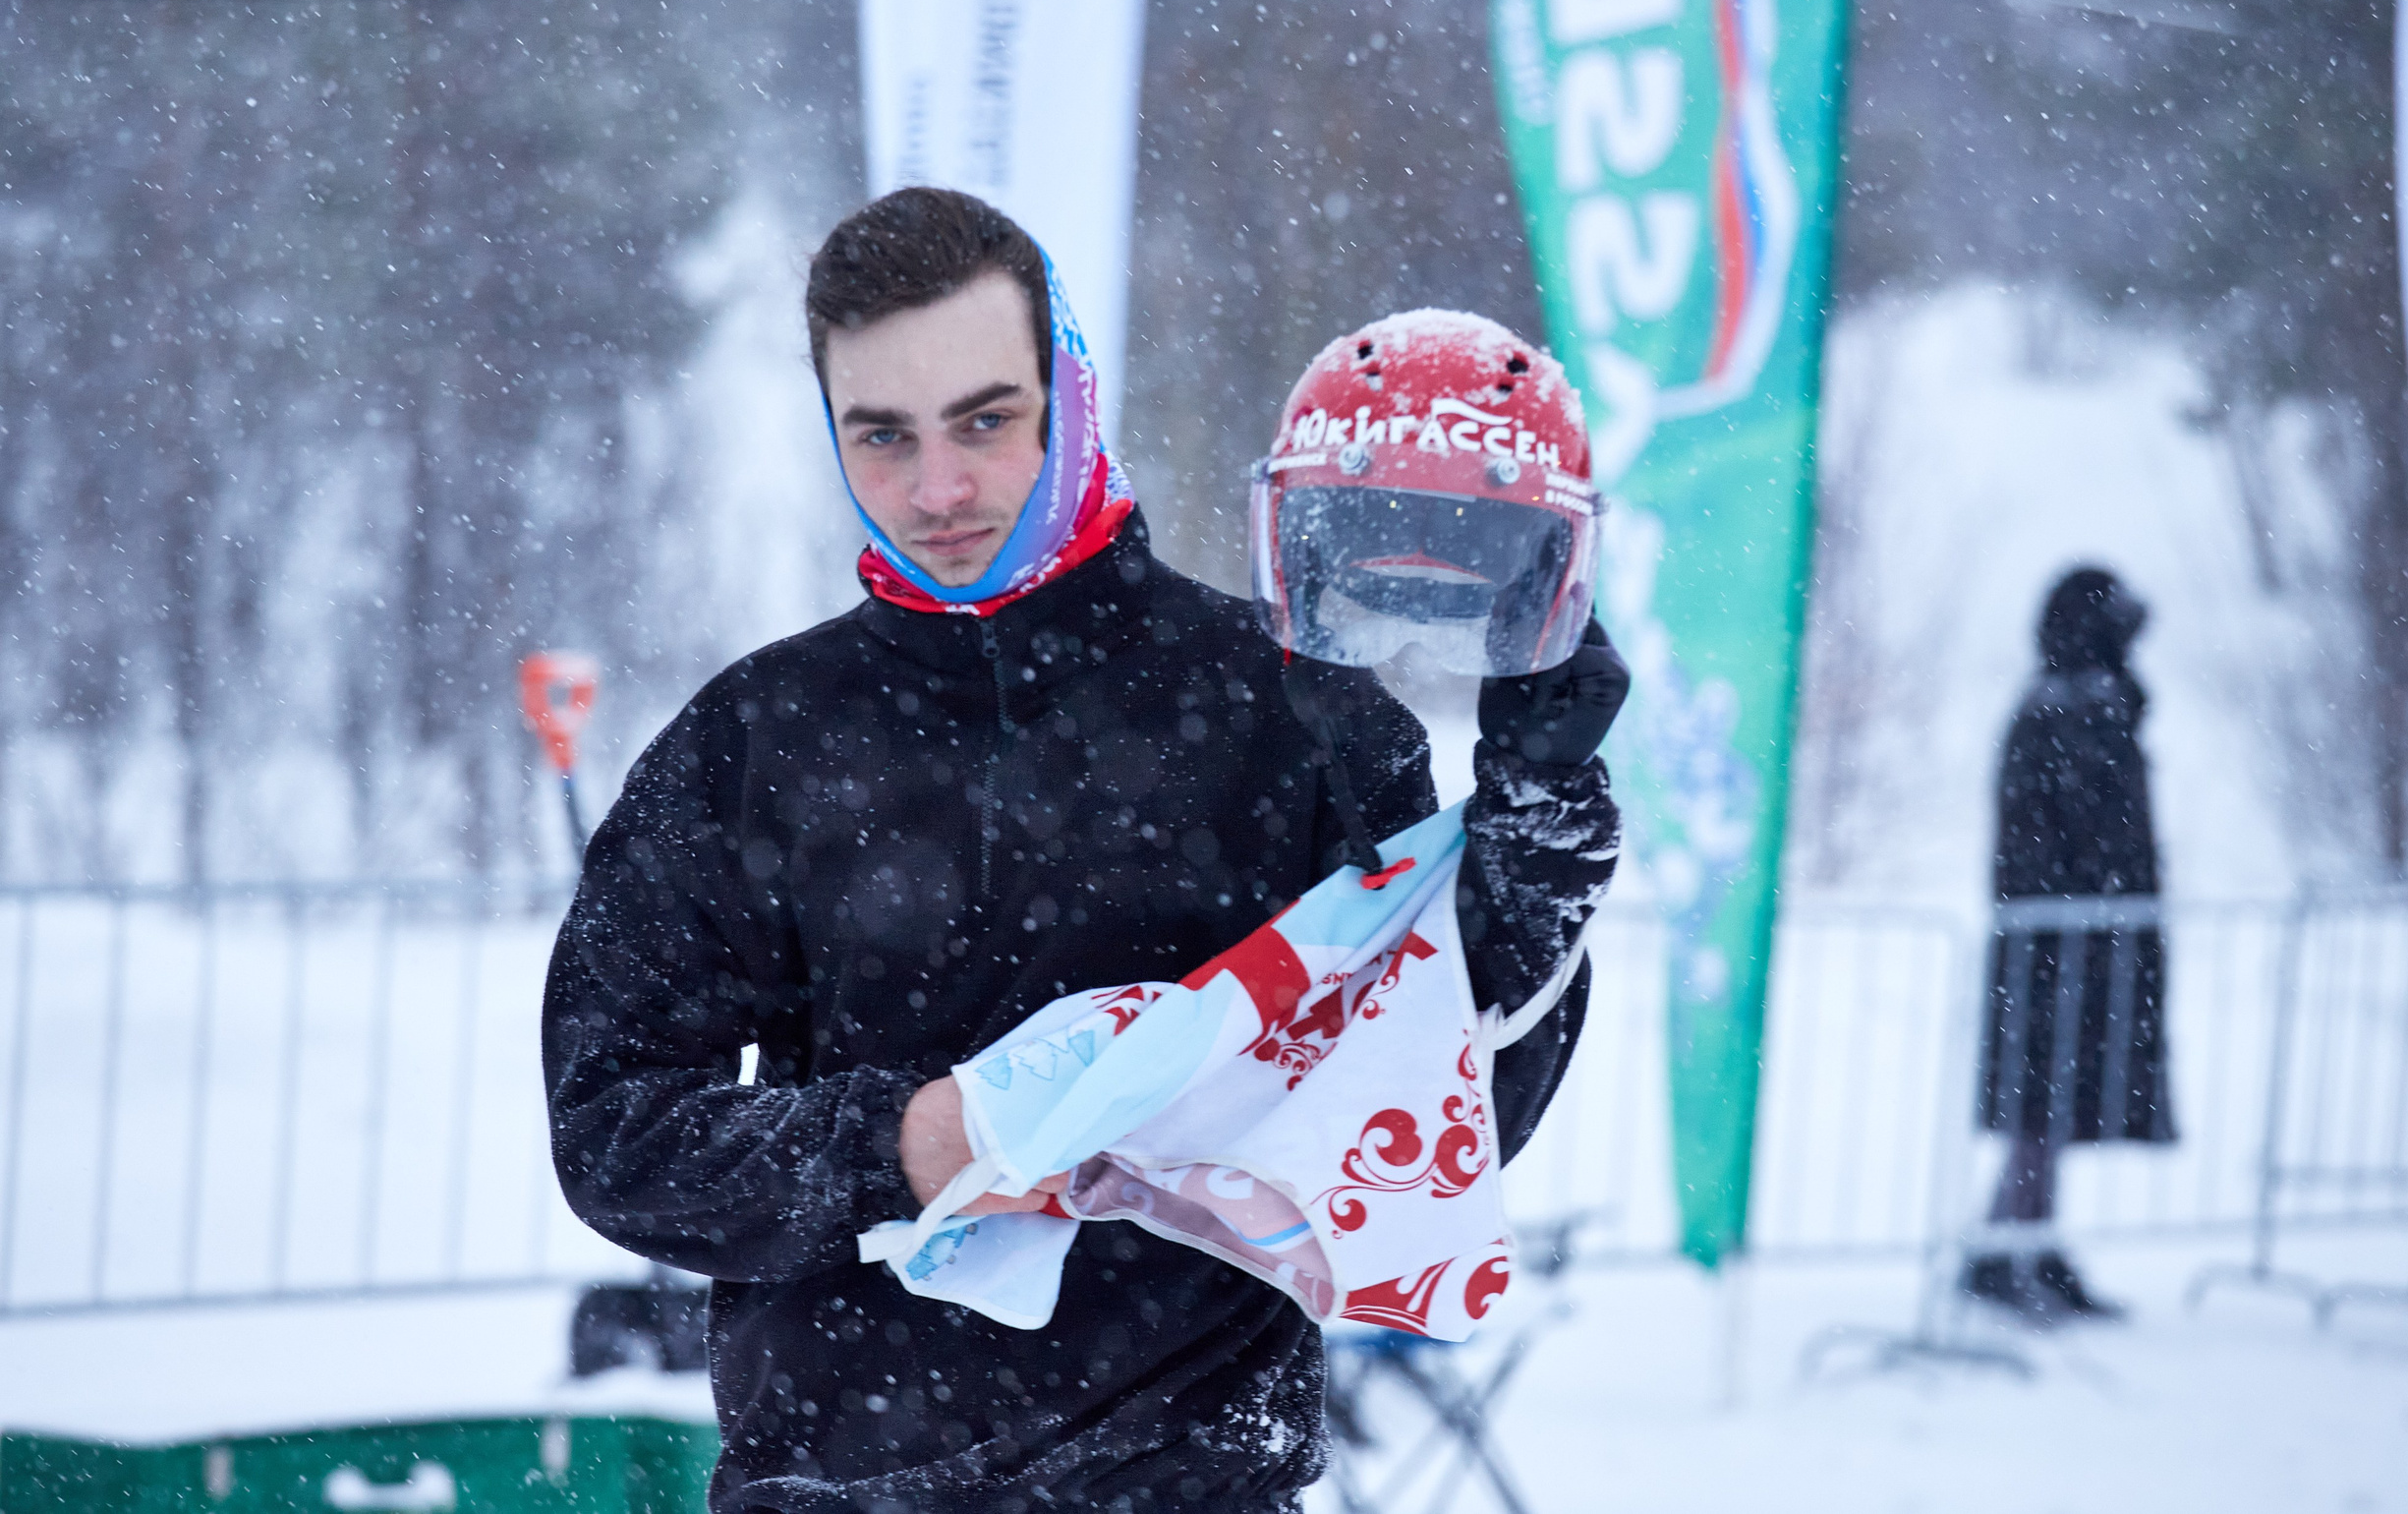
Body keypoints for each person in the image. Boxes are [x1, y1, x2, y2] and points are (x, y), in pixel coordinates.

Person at [542, 186, 1626, 1514]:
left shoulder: (1294, 714)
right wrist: (906, 1141)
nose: (938, 488)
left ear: (1074, 395)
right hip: (834, 1486)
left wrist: (1534, 828)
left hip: (1194, 1485)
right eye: (883, 435)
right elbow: (616, 1132)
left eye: (986, 420)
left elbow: (1448, 1112)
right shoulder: (751, 744)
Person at [1966, 566, 2175, 1321]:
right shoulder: (2070, 709)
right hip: (2060, 941)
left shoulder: (2083, 703)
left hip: (2075, 937)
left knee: (2057, 1102)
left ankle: (2027, 1242)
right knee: (2043, 1100)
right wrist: (2099, 914)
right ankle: (2004, 1249)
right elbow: (2073, 836)